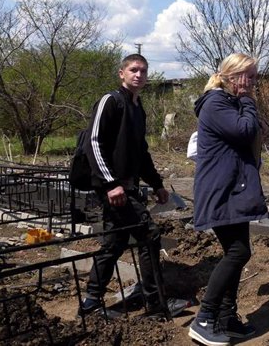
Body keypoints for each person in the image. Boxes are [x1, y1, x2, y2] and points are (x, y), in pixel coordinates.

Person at [80, 53, 189, 318]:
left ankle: (92, 302)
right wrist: (111, 184)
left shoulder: (137, 108)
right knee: (149, 235)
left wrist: (157, 184)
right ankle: (155, 305)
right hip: (113, 189)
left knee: (115, 242)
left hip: (127, 187)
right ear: (122, 73)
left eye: (143, 71)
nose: (138, 74)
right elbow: (93, 143)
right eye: (133, 70)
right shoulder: (111, 101)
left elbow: (141, 152)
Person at [188, 53, 269, 346]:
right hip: (221, 191)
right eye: (243, 75)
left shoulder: (229, 102)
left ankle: (226, 317)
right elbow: (245, 130)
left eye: (253, 77)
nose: (248, 82)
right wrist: (249, 102)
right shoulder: (216, 103)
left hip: (234, 190)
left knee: (239, 251)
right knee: (238, 252)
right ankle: (204, 318)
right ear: (229, 75)